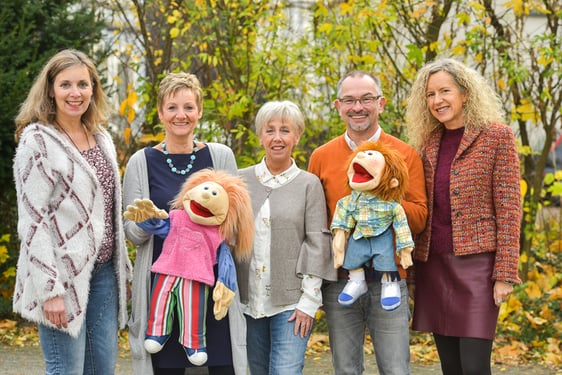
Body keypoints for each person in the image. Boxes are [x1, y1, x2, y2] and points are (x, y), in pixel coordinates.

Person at [12, 49, 132, 374]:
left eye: (83, 84)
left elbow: (107, 209)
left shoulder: (102, 138)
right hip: (61, 277)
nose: (75, 93)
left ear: (93, 88)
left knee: (102, 369)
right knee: (67, 370)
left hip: (104, 274)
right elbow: (33, 223)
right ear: (51, 89)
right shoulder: (37, 142)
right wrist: (50, 290)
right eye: (66, 84)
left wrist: (124, 268)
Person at [123, 72, 247, 375]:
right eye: (173, 107)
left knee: (223, 365)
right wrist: (149, 221)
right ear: (161, 113)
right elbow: (133, 234)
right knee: (166, 366)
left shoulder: (219, 156)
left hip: (211, 282)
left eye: (189, 107)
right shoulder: (142, 162)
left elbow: (237, 222)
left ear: (200, 111)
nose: (181, 115)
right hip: (162, 289)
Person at [406, 58, 521, 375]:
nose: (437, 101)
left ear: (465, 93)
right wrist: (413, 271)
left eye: (445, 91)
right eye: (430, 95)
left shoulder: (497, 137)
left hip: (477, 269)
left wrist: (505, 272)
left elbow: (509, 208)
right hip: (434, 266)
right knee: (450, 367)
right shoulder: (427, 143)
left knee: (474, 367)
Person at [308, 71, 428, 375]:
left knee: (395, 368)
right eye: (349, 100)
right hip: (341, 281)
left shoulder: (404, 155)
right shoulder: (322, 157)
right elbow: (316, 223)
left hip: (390, 280)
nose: (357, 107)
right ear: (338, 105)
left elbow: (419, 216)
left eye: (366, 99)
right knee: (346, 369)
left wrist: (383, 202)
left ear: (381, 104)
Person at [237, 100, 337, 374]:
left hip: (292, 305)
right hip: (248, 303)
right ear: (260, 136)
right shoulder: (239, 180)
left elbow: (317, 243)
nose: (277, 138)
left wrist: (308, 303)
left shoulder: (308, 184)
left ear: (297, 136)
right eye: (270, 130)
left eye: (285, 130)